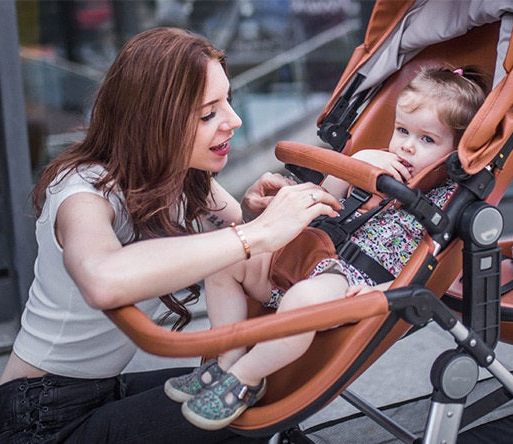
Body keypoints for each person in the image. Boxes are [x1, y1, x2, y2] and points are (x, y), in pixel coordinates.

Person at [0, 27, 341, 444]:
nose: (234, 120)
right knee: (246, 413)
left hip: (99, 393)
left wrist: (257, 211)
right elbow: (102, 279)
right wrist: (256, 232)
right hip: (36, 420)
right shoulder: (81, 190)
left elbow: (248, 248)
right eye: (208, 113)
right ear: (155, 120)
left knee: (265, 388)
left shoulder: (188, 181)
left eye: (228, 100)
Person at [164, 66, 489, 431]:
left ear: (458, 151)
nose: (407, 146)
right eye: (402, 131)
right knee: (224, 259)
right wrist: (358, 164)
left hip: (348, 281)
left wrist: (380, 294)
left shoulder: (448, 200)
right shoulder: (380, 164)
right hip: (311, 254)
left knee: (303, 300)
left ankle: (244, 381)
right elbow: (327, 201)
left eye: (428, 140)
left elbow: (439, 273)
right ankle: (226, 361)